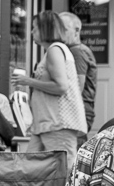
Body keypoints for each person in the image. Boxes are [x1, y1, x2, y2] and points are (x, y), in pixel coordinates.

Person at [15, 10, 86, 165]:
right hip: (45, 124)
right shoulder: (52, 51)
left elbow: (61, 86)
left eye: (35, 27)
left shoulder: (55, 49)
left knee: (62, 169)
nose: (32, 31)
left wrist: (29, 81)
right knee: (30, 169)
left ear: (45, 28)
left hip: (58, 123)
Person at [59, 12, 97, 145]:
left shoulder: (77, 51)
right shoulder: (72, 50)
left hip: (76, 112)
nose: (59, 33)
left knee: (72, 156)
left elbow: (77, 87)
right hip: (80, 111)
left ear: (77, 30)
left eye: (64, 29)